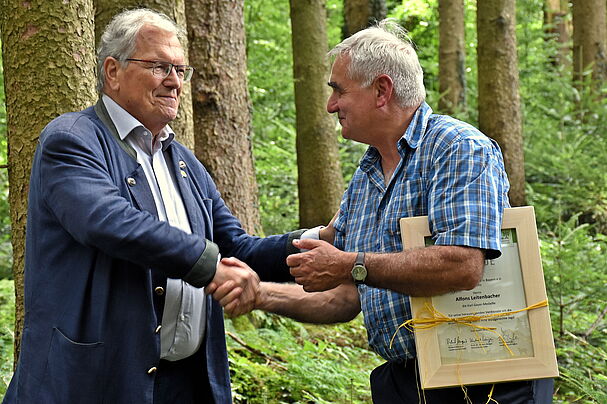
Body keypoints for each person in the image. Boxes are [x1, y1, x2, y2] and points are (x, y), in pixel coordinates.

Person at [210, 20, 553, 403]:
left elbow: (462, 265)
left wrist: (350, 263)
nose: (329, 105)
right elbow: (344, 298)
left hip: (488, 381)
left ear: (381, 90)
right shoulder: (365, 178)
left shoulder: (456, 148)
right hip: (408, 382)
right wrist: (260, 295)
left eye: (338, 91)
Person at [3, 9, 303, 404]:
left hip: (188, 384)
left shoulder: (183, 162)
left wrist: (316, 241)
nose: (175, 82)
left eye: (181, 70)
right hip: (95, 383)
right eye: (160, 67)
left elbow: (237, 247)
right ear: (113, 71)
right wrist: (207, 264)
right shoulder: (71, 140)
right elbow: (108, 221)